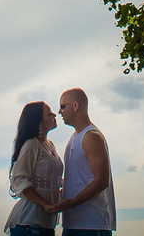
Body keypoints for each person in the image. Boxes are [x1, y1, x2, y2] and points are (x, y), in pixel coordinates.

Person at [49, 87, 116, 235]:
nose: (59, 112)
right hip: (72, 223)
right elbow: (78, 178)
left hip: (91, 224)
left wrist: (72, 202)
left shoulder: (91, 137)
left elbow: (101, 181)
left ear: (75, 105)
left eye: (62, 106)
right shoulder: (74, 138)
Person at [4, 100, 63, 236]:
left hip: (46, 222)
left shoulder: (50, 145)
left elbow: (49, 180)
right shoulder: (32, 144)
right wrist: (44, 203)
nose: (54, 115)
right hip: (29, 223)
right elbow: (19, 179)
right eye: (49, 114)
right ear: (39, 122)